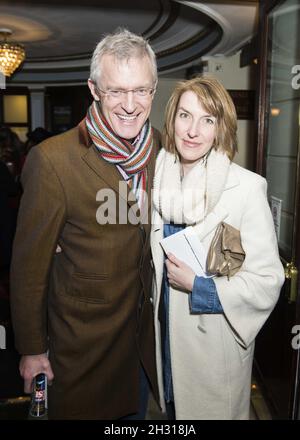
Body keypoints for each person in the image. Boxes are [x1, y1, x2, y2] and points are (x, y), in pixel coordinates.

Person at [10, 28, 160, 420]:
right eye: (116, 91)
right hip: (80, 351)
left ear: (154, 90)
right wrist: (32, 349)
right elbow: (29, 269)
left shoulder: (162, 149)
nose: (130, 105)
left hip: (142, 350)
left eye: (141, 90)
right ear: (94, 90)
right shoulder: (53, 161)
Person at [151, 76, 285, 420]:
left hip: (212, 351)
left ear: (220, 128)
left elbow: (268, 280)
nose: (193, 130)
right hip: (162, 345)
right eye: (185, 115)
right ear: (171, 119)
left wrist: (201, 287)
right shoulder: (154, 182)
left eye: (207, 120)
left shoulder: (246, 189)